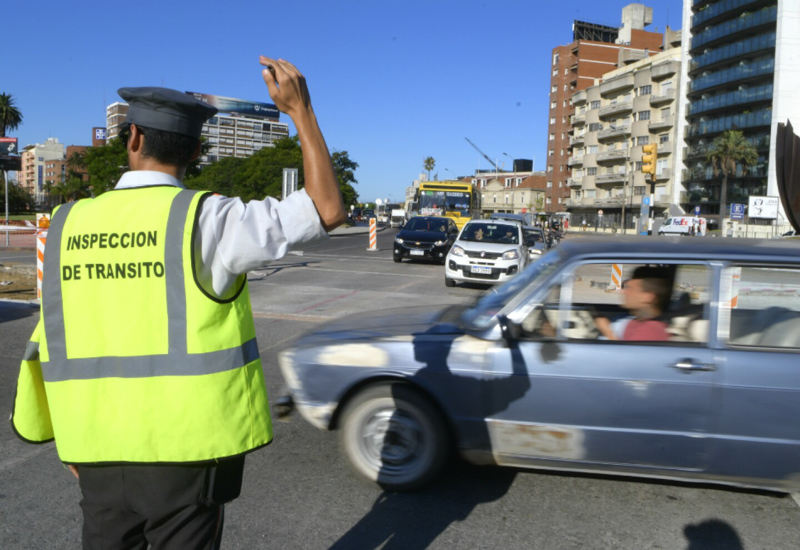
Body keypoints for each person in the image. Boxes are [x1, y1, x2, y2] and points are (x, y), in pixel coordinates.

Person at [11, 57, 345, 549]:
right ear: (195, 151)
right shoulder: (210, 219)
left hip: (93, 445)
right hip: (189, 455)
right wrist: (301, 112)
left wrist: (71, 438)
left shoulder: (64, 224)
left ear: (133, 139)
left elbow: (54, 335)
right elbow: (327, 208)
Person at [594, 266, 672, 342]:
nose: (624, 292)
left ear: (647, 297)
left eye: (630, 288)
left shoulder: (650, 330)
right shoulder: (634, 321)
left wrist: (607, 331)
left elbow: (625, 354)